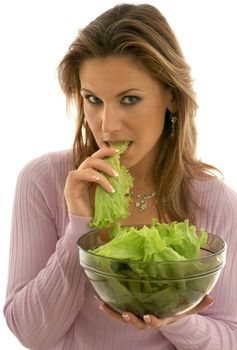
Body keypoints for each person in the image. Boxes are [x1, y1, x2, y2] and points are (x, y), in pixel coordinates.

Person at [3, 3, 237, 350]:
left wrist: (178, 317)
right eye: (93, 99)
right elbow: (30, 333)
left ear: (171, 97)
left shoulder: (214, 200)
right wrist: (79, 226)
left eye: (129, 99)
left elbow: (230, 336)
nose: (107, 126)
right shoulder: (43, 180)